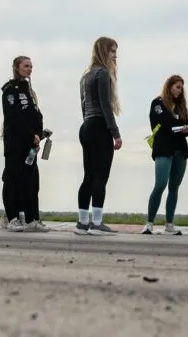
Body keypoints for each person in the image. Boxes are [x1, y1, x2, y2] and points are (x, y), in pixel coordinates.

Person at [143, 75, 188, 235]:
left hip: (180, 151)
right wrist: (184, 124)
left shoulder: (181, 106)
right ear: (169, 86)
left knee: (174, 187)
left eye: (181, 87)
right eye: (177, 86)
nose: (180, 90)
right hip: (163, 149)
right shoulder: (158, 102)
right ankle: (149, 223)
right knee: (160, 184)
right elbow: (165, 123)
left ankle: (169, 224)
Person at [75, 36, 123, 236]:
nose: (115, 56)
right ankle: (97, 222)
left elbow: (83, 105)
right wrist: (115, 133)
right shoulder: (102, 73)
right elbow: (105, 106)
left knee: (88, 175)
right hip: (99, 127)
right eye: (112, 51)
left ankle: (83, 222)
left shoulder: (86, 75)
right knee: (101, 176)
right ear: (104, 51)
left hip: (86, 126)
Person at [0, 56, 48, 233]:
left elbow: (37, 115)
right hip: (15, 144)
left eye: (31, 66)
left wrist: (38, 135)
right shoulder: (9, 90)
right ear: (16, 67)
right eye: (26, 66)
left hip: (30, 145)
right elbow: (14, 117)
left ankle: (31, 218)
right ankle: (11, 218)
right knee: (13, 180)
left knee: (32, 182)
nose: (29, 69)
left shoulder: (30, 91)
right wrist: (30, 135)